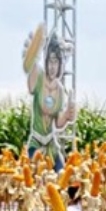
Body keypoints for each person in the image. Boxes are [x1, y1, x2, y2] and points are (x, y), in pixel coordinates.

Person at [23, 32, 76, 171]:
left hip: (51, 144)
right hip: (36, 142)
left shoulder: (59, 90)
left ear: (60, 64)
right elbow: (31, 80)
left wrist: (67, 116)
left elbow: (58, 123)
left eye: (56, 62)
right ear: (46, 61)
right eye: (50, 61)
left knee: (61, 176)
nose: (53, 66)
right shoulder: (39, 77)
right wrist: (33, 55)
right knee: (35, 178)